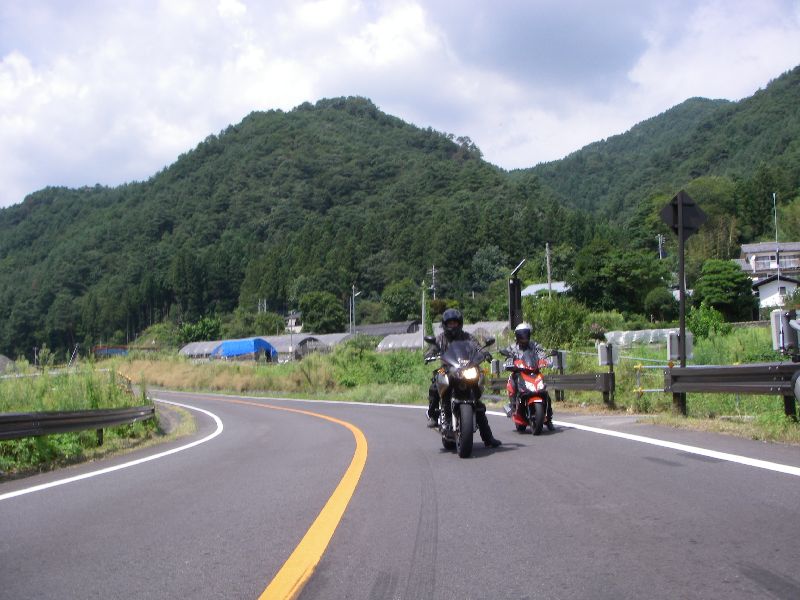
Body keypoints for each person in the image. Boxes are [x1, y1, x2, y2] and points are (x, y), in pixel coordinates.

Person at [425, 308, 502, 448]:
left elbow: (478, 347)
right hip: (446, 368)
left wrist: (485, 353)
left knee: (478, 404)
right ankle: (433, 415)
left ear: (459, 323)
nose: (453, 325)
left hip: (467, 368)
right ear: (445, 324)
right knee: (435, 381)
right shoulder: (441, 338)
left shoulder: (468, 337)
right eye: (450, 323)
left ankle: (488, 438)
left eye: (455, 323)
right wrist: (429, 354)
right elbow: (433, 348)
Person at [505, 322, 552, 424]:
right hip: (519, 372)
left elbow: (542, 354)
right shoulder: (513, 348)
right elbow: (508, 357)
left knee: (544, 391)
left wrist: (546, 360)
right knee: (512, 383)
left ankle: (549, 416)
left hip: (534, 371)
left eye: (525, 334)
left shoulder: (534, 345)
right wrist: (509, 362)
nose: (524, 337)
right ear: (517, 336)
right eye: (521, 335)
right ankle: (513, 406)